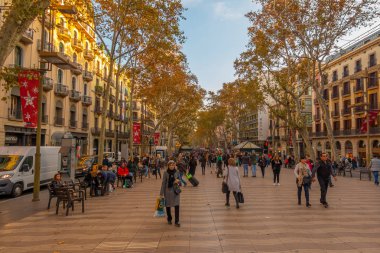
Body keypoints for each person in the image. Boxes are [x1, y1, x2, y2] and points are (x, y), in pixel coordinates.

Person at [160, 160, 181, 227]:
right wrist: (161, 193)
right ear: (168, 166)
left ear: (174, 165)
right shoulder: (166, 172)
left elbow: (180, 182)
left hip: (175, 191)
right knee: (168, 206)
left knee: (177, 205)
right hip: (168, 191)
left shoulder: (177, 172)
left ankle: (177, 221)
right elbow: (163, 183)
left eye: (173, 165)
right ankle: (169, 218)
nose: (172, 166)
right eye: (170, 165)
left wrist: (178, 182)